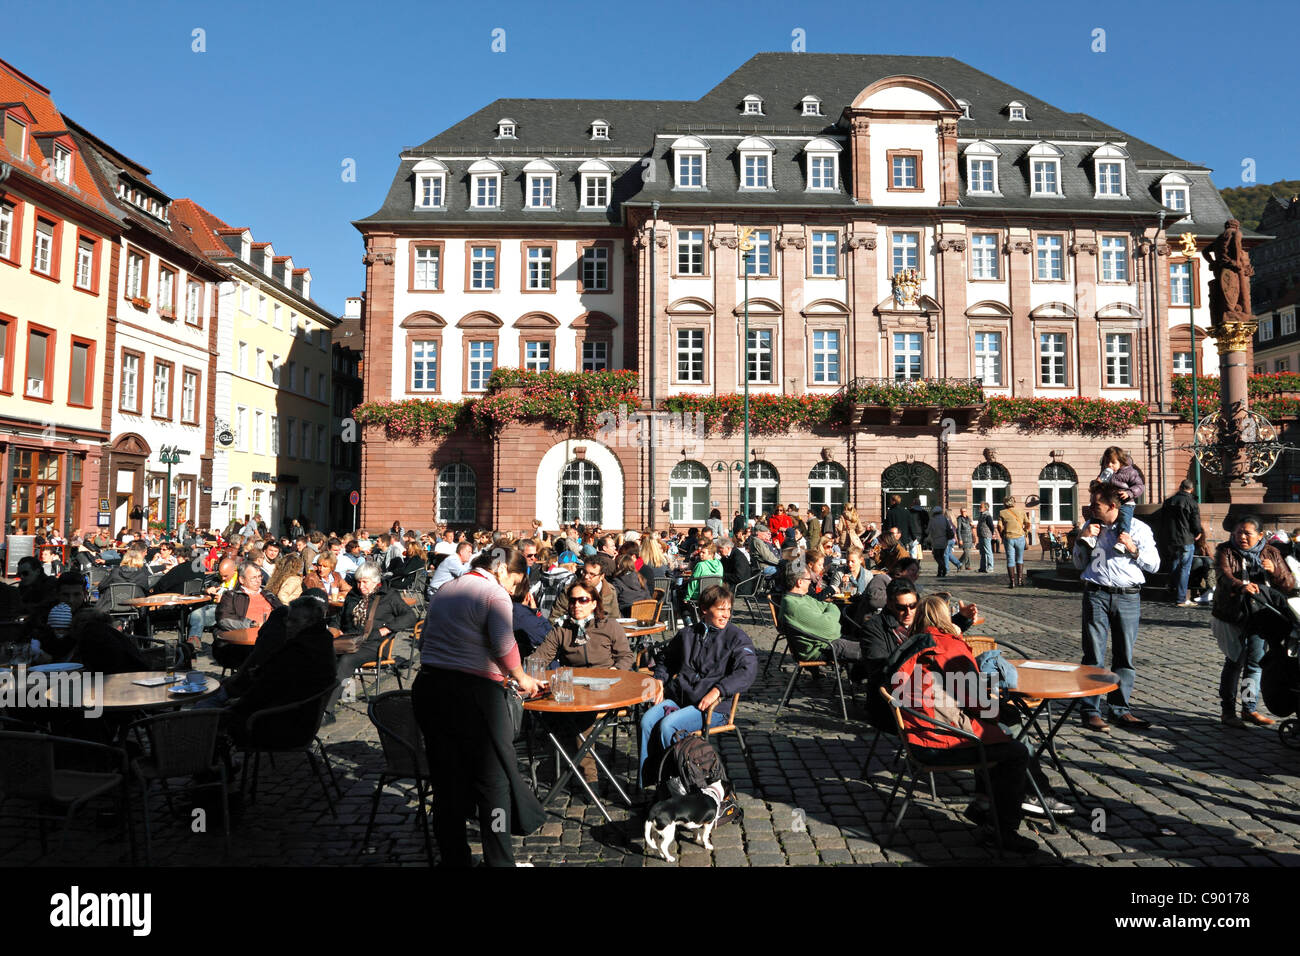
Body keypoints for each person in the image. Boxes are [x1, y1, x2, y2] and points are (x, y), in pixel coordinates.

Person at [413, 546, 545, 866]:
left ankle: (454, 858)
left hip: (430, 687)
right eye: (515, 582)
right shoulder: (494, 593)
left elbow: (423, 639)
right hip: (475, 696)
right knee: (493, 784)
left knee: (447, 783)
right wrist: (521, 677)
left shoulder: (447, 588)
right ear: (502, 571)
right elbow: (504, 643)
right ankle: (499, 860)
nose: (513, 591)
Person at [893, 596, 1036, 853]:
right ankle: (1003, 828)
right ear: (946, 618)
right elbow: (980, 703)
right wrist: (999, 705)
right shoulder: (948, 647)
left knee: (995, 729)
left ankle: (984, 801)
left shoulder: (912, 643)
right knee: (1014, 749)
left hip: (915, 733)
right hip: (938, 740)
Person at [640, 584, 757, 787]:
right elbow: (666, 659)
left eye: (728, 609)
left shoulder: (736, 638)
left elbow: (747, 670)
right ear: (705, 609)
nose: (726, 615)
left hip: (713, 708)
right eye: (721, 609)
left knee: (669, 725)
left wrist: (718, 690)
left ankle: (678, 785)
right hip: (680, 699)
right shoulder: (687, 634)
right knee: (647, 721)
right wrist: (659, 680)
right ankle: (650, 785)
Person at [1073, 483, 1160, 731]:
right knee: (1093, 654)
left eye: (1095, 505)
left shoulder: (1138, 529)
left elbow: (1154, 565)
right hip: (1096, 594)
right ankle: (1090, 709)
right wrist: (1082, 540)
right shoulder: (1090, 528)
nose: (1090, 509)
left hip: (1128, 597)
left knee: (1124, 654)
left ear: (1112, 506)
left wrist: (1133, 549)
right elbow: (1079, 565)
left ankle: (1119, 708)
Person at [1211, 516, 1292, 728]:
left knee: (1255, 664)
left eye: (1247, 533)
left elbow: (1289, 584)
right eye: (1239, 532)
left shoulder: (1272, 553)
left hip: (1262, 617)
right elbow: (1223, 576)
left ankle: (1249, 709)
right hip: (1233, 615)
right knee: (1234, 662)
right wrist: (1240, 586)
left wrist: (1275, 572)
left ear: (1260, 535)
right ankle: (1227, 711)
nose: (1242, 537)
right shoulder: (1225, 551)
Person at [330, 562, 418, 712]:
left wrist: (387, 628)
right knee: (325, 655)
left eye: (365, 582)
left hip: (375, 645)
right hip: (349, 641)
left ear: (376, 581)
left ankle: (326, 710)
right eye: (358, 582)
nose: (360, 586)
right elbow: (337, 618)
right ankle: (337, 695)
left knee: (346, 660)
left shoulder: (388, 596)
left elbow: (410, 616)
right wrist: (334, 630)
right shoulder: (353, 595)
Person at [780, 565, 862, 664]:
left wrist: (829, 613)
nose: (810, 582)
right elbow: (831, 629)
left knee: (867, 641)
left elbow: (827, 605)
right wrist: (831, 614)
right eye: (808, 579)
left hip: (824, 642)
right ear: (799, 582)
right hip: (820, 648)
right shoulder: (795, 606)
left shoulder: (802, 597)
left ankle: (857, 677)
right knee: (869, 650)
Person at [1095, 446, 1144, 554]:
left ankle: (1122, 542)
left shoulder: (1129, 472)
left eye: (1113, 462)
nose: (1109, 465)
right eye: (1107, 462)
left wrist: (1129, 493)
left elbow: (1140, 486)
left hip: (1125, 502)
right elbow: (1098, 488)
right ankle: (1092, 537)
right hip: (1110, 502)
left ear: (1121, 462)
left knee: (1124, 520)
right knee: (1097, 515)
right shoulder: (1105, 472)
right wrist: (1098, 483)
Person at [1163, 479, 1203, 607]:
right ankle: (1181, 598)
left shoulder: (1169, 501)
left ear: (1180, 487)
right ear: (1191, 489)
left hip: (1171, 539)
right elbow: (1195, 521)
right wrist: (1198, 532)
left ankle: (1171, 591)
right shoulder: (1192, 502)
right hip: (1186, 539)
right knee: (1184, 569)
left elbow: (1163, 519)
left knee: (1175, 564)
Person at [550, 555, 618, 622]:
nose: (586, 577)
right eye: (584, 572)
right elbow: (555, 617)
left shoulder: (610, 591)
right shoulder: (569, 590)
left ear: (601, 576)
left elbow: (615, 618)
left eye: (592, 574)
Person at [997, 495, 1029, 588]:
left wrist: (1001, 534)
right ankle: (1020, 580)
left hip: (1009, 537)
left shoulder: (1002, 512)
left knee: (1010, 560)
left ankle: (1012, 582)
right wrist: (1025, 533)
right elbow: (1027, 523)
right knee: (1019, 559)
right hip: (1020, 537)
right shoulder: (1021, 511)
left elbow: (999, 526)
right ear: (1013, 502)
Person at [927, 507, 961, 578]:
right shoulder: (944, 519)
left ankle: (943, 567)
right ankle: (940, 572)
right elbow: (949, 529)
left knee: (937, 556)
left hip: (936, 540)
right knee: (942, 556)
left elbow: (928, 530)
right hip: (944, 540)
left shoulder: (932, 520)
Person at [977, 502, 996, 574]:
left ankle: (990, 567)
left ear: (985, 508)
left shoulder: (987, 515)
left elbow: (991, 525)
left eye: (981, 507)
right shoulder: (982, 515)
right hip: (981, 535)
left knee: (988, 552)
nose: (979, 508)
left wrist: (993, 533)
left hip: (986, 535)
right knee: (982, 552)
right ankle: (982, 567)